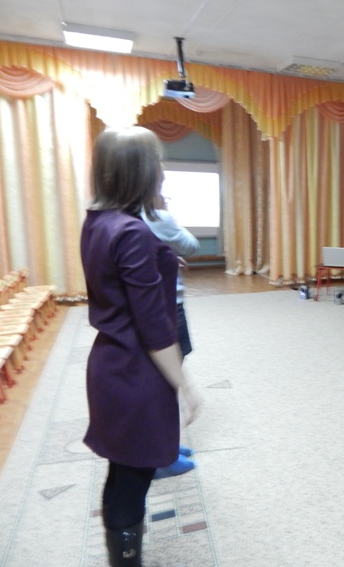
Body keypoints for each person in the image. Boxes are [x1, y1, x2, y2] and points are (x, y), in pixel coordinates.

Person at [81, 126, 200, 566]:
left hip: (109, 365)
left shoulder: (99, 221)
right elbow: (154, 328)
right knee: (133, 479)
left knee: (122, 470)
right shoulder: (131, 232)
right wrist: (184, 384)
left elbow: (117, 278)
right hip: (136, 374)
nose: (162, 172)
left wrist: (160, 261)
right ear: (141, 171)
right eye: (158, 163)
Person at [142, 196, 200, 479]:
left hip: (163, 304)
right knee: (164, 383)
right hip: (165, 307)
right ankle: (160, 455)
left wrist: (165, 256)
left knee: (163, 380)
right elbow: (191, 245)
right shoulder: (156, 217)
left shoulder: (119, 218)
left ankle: (165, 446)